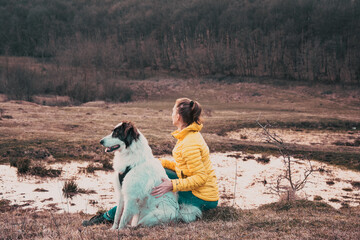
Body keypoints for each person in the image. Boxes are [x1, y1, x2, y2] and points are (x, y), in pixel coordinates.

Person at [82, 98, 219, 226]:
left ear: (178, 116)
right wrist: (159, 162)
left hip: (201, 196)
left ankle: (109, 217)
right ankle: (115, 214)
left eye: (173, 111)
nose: (171, 114)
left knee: (142, 180)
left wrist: (173, 184)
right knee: (149, 173)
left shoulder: (190, 142)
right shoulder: (188, 135)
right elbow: (185, 169)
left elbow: (201, 178)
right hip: (198, 189)